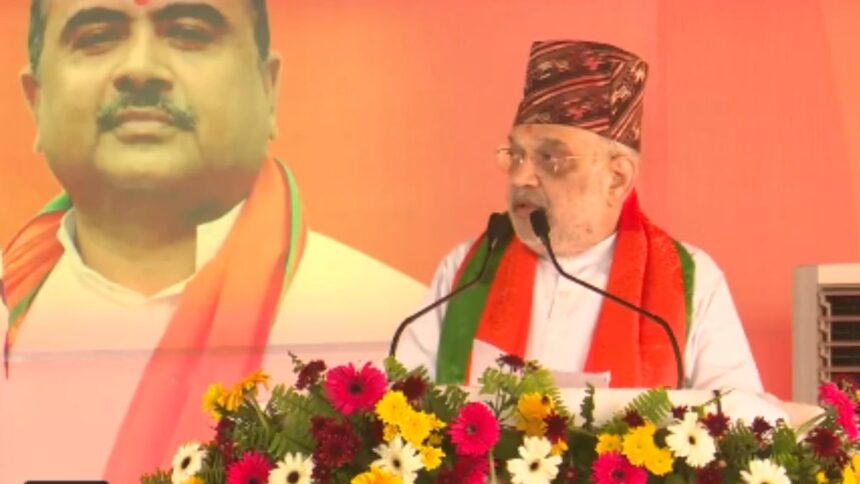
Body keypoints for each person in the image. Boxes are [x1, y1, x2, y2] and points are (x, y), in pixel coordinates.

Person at [0, 1, 425, 482]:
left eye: (188, 32)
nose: (141, 68)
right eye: (97, 37)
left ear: (268, 90)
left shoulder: (404, 337)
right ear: (35, 100)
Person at [396, 40, 763, 395]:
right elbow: (399, 403)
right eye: (516, 155)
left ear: (616, 178)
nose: (521, 177)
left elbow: (740, 418)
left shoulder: (691, 279)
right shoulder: (468, 269)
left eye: (550, 158)